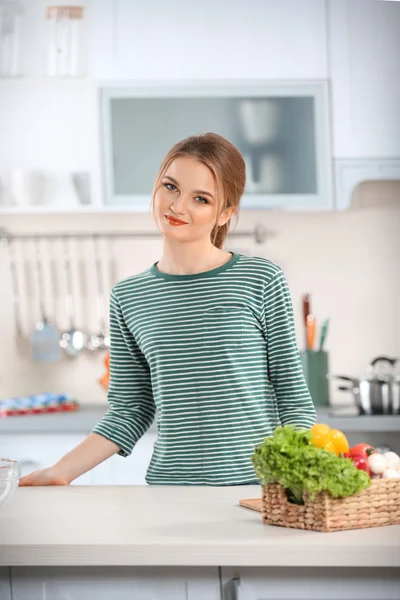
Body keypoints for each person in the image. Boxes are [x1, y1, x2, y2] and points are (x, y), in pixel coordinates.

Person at [19, 132, 316, 487]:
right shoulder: (128, 296)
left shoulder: (260, 279)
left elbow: (294, 399)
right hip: (168, 490)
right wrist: (60, 472)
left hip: (257, 492)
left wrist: (301, 483)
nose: (177, 206)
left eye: (201, 198)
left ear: (225, 213)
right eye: (170, 187)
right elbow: (130, 411)